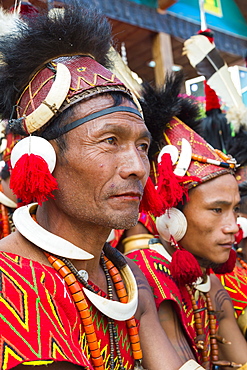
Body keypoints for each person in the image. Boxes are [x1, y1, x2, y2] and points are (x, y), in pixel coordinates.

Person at [0, 2, 194, 370]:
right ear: (40, 157)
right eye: (109, 140)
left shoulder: (124, 276)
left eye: (142, 146)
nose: (137, 167)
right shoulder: (10, 281)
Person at [124, 79, 247, 370]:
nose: (233, 227)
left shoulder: (209, 282)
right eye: (216, 210)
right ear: (172, 218)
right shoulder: (147, 270)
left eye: (234, 210)